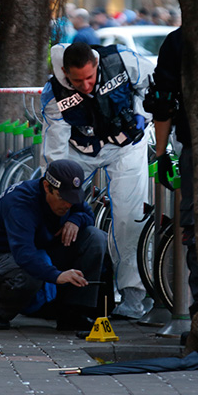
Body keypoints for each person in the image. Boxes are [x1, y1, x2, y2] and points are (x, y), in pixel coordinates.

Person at [41, 41, 154, 319]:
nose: (86, 86)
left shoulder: (122, 61)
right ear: (65, 73)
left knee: (130, 217)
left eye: (90, 78)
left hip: (127, 145)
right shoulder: (54, 95)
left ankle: (133, 297)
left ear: (96, 64)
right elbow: (55, 152)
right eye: (77, 81)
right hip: (81, 151)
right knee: (53, 207)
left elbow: (151, 85)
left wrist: (142, 115)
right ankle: (50, 290)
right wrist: (59, 192)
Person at [0, 160, 107, 331]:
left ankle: (72, 314)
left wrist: (75, 220)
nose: (67, 204)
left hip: (40, 249)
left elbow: (87, 215)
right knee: (29, 274)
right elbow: (24, 254)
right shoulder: (20, 203)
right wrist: (57, 275)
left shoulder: (68, 194)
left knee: (95, 238)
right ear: (46, 186)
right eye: (62, 198)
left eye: (72, 199)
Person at [145, 27, 198, 317]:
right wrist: (162, 152)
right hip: (197, 148)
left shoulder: (178, 41)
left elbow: (163, 100)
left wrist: (161, 151)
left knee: (195, 229)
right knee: (193, 228)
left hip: (197, 147)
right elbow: (163, 99)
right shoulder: (178, 41)